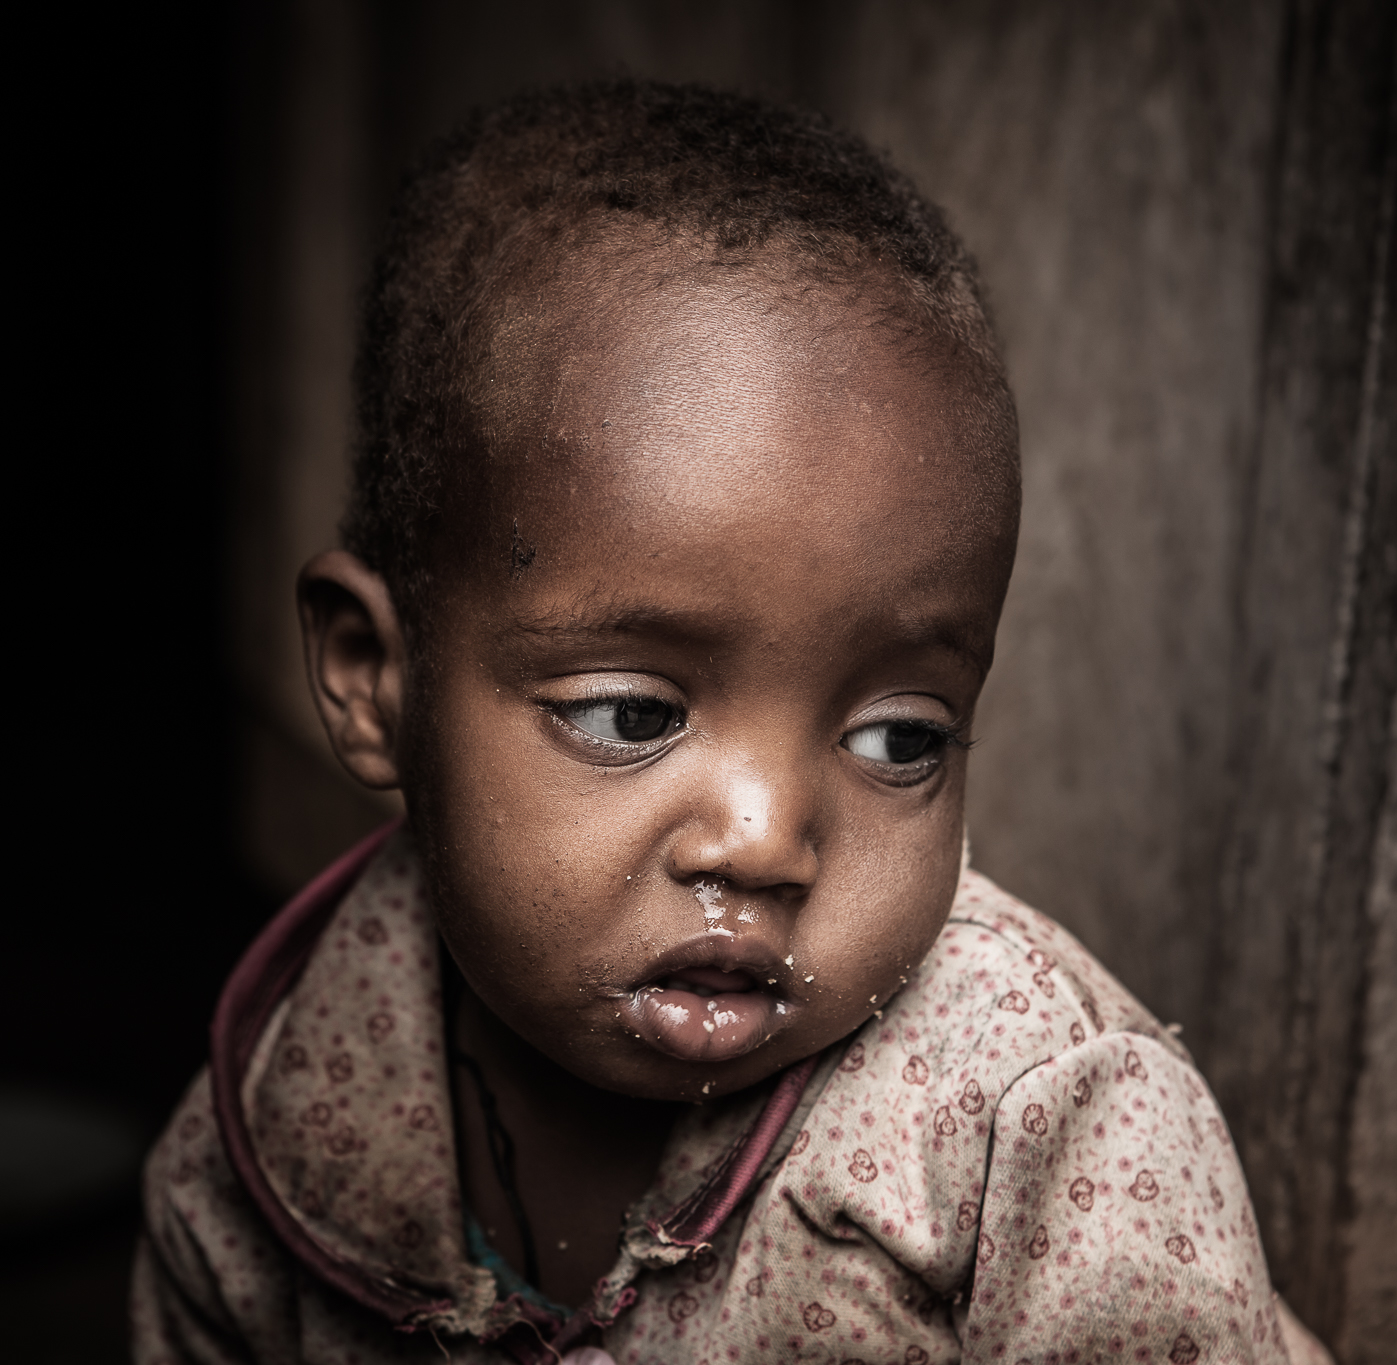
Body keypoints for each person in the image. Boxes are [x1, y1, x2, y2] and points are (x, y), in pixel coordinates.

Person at [134, 81, 1331, 1365]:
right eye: (631, 714)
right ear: (375, 677)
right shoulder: (272, 1130)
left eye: (898, 739)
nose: (762, 842)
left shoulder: (1032, 1132)